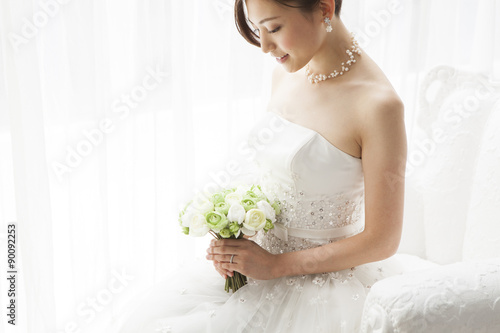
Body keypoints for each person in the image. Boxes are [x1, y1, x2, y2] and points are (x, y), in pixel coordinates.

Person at [110, 0, 419, 332]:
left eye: (274, 28)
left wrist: (276, 266)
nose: (264, 46)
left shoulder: (378, 106)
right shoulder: (284, 75)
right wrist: (237, 237)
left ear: (325, 8)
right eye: (258, 30)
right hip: (256, 274)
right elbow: (277, 180)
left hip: (325, 293)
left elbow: (383, 240)